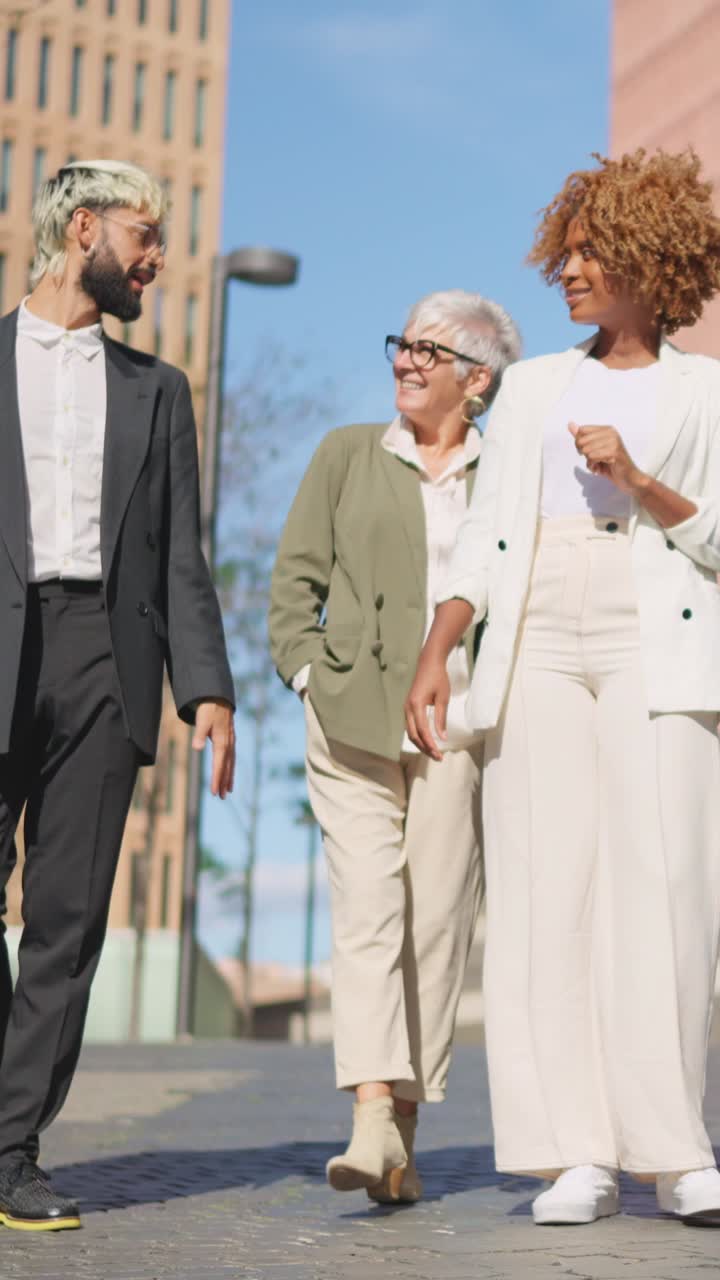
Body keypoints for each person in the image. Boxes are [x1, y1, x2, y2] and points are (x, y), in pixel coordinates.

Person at [406, 148, 720, 1227]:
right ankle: (571, 1152)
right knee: (546, 892)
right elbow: (488, 541)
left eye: (592, 252)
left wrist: (639, 477)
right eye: (567, 250)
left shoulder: (706, 391)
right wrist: (441, 644)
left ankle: (675, 1148)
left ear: (650, 257)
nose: (570, 269)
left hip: (656, 623)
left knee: (664, 889)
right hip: (538, 626)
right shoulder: (536, 384)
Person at [0, 160, 235, 1231]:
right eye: (143, 235)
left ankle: (10, 1151)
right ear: (83, 227)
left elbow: (180, 557)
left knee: (69, 918)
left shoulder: (158, 390)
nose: (156, 258)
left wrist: (208, 689)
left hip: (106, 653)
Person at [270, 290, 521, 1202]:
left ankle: (404, 1135)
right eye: (401, 345)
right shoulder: (346, 455)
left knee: (436, 925)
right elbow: (293, 582)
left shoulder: (506, 474)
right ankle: (370, 1117)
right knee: (370, 907)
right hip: (350, 721)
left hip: (457, 728)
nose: (405, 362)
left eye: (428, 350)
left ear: (477, 379)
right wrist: (310, 676)